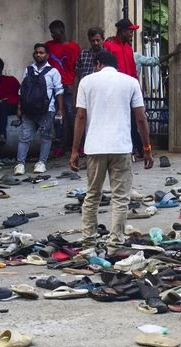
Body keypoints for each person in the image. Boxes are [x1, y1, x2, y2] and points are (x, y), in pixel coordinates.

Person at [70, 51, 153, 244]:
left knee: (92, 195)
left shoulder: (86, 82)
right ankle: (116, 240)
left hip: (94, 147)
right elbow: (141, 118)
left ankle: (89, 240)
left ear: (98, 64)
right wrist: (147, 148)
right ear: (116, 65)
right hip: (121, 146)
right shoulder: (130, 82)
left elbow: (80, 117)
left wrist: (75, 150)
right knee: (120, 197)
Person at [14, 43, 64, 175]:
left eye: (41, 53)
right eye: (36, 52)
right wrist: (19, 107)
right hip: (29, 109)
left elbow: (59, 91)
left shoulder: (53, 71)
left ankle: (41, 163)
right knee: (24, 137)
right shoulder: (28, 70)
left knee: (46, 137)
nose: (38, 55)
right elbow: (22, 90)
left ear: (47, 55)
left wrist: (60, 110)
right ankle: (20, 164)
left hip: (47, 110)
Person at [103, 19, 145, 159]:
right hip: (114, 89)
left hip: (129, 89)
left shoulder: (128, 48)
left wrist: (137, 89)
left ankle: (138, 148)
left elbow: (133, 71)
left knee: (133, 120)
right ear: (122, 31)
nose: (132, 34)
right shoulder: (108, 46)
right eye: (130, 31)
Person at [45, 20, 81, 157]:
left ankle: (76, 145)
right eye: (51, 33)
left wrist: (74, 86)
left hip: (68, 84)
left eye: (54, 33)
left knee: (72, 115)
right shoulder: (48, 46)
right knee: (56, 117)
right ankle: (59, 144)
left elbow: (78, 68)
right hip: (53, 86)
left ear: (61, 30)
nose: (52, 35)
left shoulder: (74, 47)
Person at [0, 57, 20, 146]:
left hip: (14, 106)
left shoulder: (11, 80)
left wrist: (20, 108)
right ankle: (2, 135)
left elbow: (21, 94)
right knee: (1, 106)